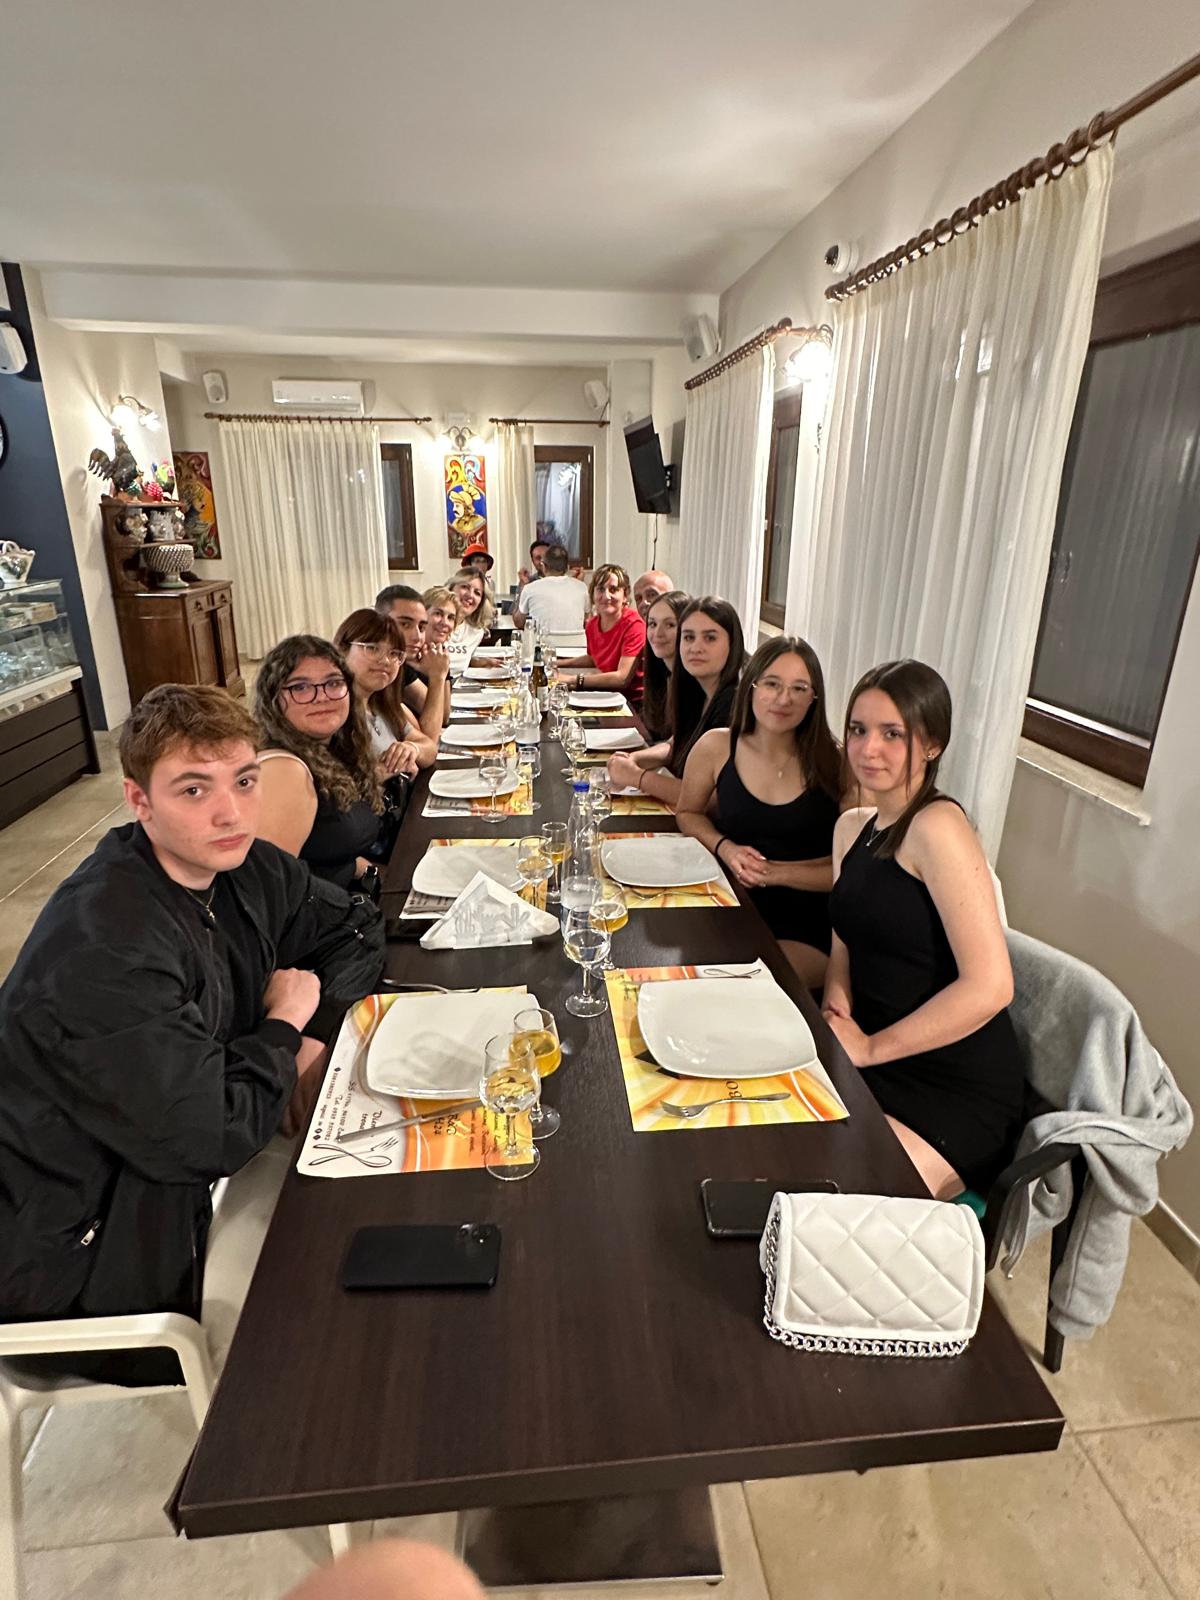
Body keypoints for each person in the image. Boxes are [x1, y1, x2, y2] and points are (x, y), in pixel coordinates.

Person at [0, 684, 384, 1364]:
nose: (230, 812)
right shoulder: (104, 945)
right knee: (345, 1326)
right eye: (194, 790)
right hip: (80, 1259)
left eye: (244, 781)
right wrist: (281, 1029)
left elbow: (354, 929)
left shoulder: (241, 866)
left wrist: (314, 1030)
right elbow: (212, 1135)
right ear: (139, 801)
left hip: (171, 1177)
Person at [824, 659, 1024, 1199]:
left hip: (951, 1082)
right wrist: (836, 1006)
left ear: (932, 744)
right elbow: (843, 941)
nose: (868, 749)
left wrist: (868, 1049)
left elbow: (992, 986)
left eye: (893, 734)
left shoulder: (937, 826)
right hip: (873, 1052)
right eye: (858, 729)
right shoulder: (850, 829)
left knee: (838, 1206)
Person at [676, 637, 841, 988]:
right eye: (772, 684)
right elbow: (688, 813)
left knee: (737, 986)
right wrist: (725, 847)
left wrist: (773, 873)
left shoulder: (837, 763)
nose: (784, 699)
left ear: (814, 698)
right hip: (727, 899)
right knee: (677, 971)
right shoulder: (716, 747)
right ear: (750, 686)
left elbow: (851, 871)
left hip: (807, 922)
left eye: (799, 688)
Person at [254, 635, 392, 892]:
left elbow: (321, 850)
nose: (321, 697)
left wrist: (365, 870)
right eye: (300, 687)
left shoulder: (332, 750)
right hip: (321, 914)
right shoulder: (284, 771)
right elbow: (270, 891)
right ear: (274, 699)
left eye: (333, 683)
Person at [607, 595, 743, 810]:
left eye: (710, 638)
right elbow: (675, 744)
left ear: (733, 643)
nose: (696, 647)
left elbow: (712, 800)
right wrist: (633, 759)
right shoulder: (696, 687)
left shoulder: (735, 702)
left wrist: (637, 777)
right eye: (689, 637)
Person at [333, 610, 439, 774]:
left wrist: (413, 749)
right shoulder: (333, 714)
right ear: (342, 650)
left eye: (394, 653)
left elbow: (430, 748)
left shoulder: (382, 706)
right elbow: (337, 783)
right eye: (372, 648)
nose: (385, 660)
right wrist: (392, 768)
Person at [558, 563, 646, 697]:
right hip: (604, 691)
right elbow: (594, 658)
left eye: (613, 589)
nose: (606, 596)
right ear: (592, 594)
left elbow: (622, 679)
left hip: (630, 701)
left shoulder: (634, 625)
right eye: (600, 589)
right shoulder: (592, 624)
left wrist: (571, 679)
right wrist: (557, 663)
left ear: (625, 595)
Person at [375, 583, 451, 736]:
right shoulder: (373, 671)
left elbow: (440, 720)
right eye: (405, 624)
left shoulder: (400, 666)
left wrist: (441, 673)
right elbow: (430, 736)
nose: (417, 637)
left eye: (421, 627)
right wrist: (437, 676)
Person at [512, 543, 590, 633]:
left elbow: (519, 622)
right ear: (566, 568)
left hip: (542, 641)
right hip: (576, 642)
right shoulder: (582, 587)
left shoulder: (530, 588)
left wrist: (523, 586)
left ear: (544, 566)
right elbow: (586, 619)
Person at [447, 567, 495, 651]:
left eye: (477, 593)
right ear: (451, 588)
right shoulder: (433, 623)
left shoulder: (476, 633)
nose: (470, 595)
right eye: (465, 587)